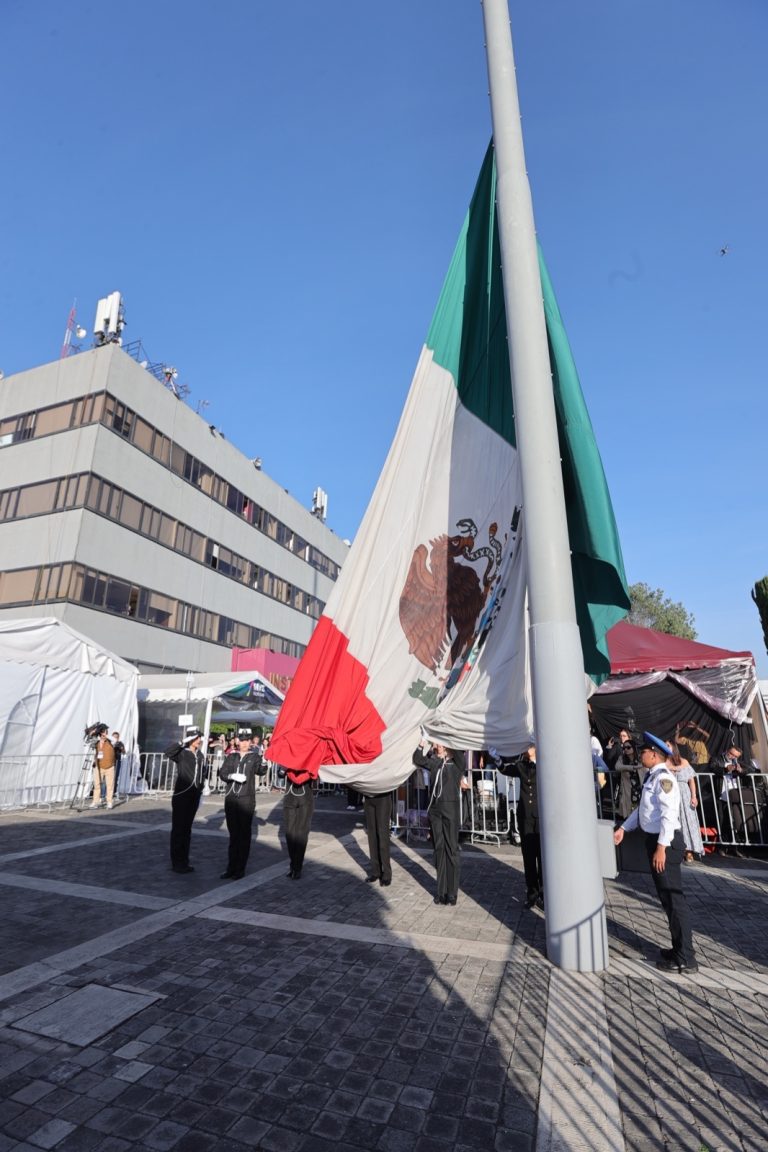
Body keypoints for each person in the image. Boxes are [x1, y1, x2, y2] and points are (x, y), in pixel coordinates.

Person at [614, 732, 698, 974]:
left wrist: (661, 848)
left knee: (674, 900)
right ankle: (678, 947)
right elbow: (643, 810)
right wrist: (624, 828)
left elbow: (669, 815)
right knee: (667, 899)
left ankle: (685, 957)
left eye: (643, 752)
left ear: (654, 754)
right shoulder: (653, 777)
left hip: (666, 844)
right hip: (658, 842)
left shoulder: (664, 779)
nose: (640, 755)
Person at [412, 741, 468, 905]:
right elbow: (418, 759)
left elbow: (459, 752)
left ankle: (452, 892)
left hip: (450, 810)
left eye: (440, 743)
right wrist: (421, 745)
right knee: (439, 849)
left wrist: (449, 740)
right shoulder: (435, 762)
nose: (437, 745)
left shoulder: (456, 763)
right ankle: (441, 891)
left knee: (451, 849)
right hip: (435, 810)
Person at [498, 744, 543, 909]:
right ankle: (532, 894)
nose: (526, 748)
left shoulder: (544, 764)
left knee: (542, 858)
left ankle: (543, 894)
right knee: (529, 858)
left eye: (529, 745)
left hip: (540, 817)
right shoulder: (521, 766)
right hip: (525, 817)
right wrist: (497, 759)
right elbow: (505, 770)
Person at [219, 734, 263, 879]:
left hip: (246, 799)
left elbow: (261, 770)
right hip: (231, 798)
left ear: (250, 742)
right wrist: (232, 776)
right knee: (233, 835)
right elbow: (222, 773)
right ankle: (231, 867)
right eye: (242, 740)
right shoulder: (232, 756)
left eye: (247, 741)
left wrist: (265, 762)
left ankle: (240, 869)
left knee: (244, 835)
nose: (244, 743)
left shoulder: (254, 757)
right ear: (238, 742)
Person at [165, 727, 206, 874]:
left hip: (194, 795)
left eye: (199, 737)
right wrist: (182, 742)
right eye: (196, 738)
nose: (199, 740)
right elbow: (168, 752)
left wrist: (202, 788)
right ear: (190, 739)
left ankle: (184, 861)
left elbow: (203, 772)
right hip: (182, 795)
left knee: (187, 829)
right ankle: (177, 862)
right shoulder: (182, 753)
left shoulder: (200, 755)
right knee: (179, 829)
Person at [666, 742, 704, 862]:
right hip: (670, 793)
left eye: (668, 745)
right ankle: (675, 849)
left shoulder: (684, 761)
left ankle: (689, 850)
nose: (666, 747)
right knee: (673, 821)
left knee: (688, 821)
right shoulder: (663, 762)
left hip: (684, 794)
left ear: (674, 747)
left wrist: (694, 796)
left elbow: (691, 780)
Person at [282, 766, 315, 879]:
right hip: (289, 798)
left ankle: (297, 867)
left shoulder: (311, 760)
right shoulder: (286, 760)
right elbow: (280, 775)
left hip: (305, 798)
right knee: (290, 833)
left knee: (301, 833)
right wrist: (283, 769)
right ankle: (293, 864)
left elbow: (313, 775)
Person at [361, 790, 393, 886]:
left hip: (383, 796)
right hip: (368, 796)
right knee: (372, 835)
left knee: (383, 835)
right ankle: (376, 871)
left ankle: (387, 874)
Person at [89, 725, 116, 810]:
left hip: (110, 767)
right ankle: (95, 802)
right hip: (98, 766)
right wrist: (92, 733)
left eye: (105, 733)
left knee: (110, 785)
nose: (104, 734)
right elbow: (88, 742)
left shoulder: (110, 741)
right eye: (102, 733)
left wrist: (106, 735)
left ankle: (109, 802)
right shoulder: (96, 742)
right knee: (97, 785)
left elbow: (115, 740)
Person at [111, 731, 125, 795]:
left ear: (118, 738)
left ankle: (113, 791)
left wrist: (122, 749)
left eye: (116, 737)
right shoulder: (109, 743)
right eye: (114, 737)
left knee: (115, 776)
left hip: (117, 761)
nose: (115, 738)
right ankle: (105, 792)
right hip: (109, 761)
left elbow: (124, 752)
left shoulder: (120, 743)